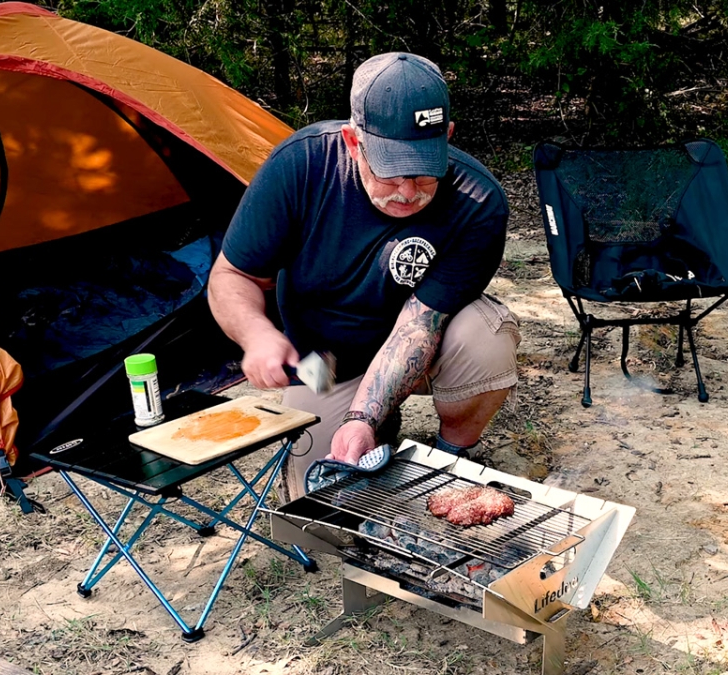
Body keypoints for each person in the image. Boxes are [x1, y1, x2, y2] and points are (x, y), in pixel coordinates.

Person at [208, 52, 519, 501]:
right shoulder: (300, 166)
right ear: (354, 142)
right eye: (390, 171)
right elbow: (231, 275)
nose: (408, 193)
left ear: (447, 138)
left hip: (424, 351)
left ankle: (454, 455)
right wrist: (256, 334)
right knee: (315, 504)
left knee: (484, 338)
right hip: (324, 364)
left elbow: (418, 327)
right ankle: (374, 429)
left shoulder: (478, 201)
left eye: (423, 171)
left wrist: (363, 418)